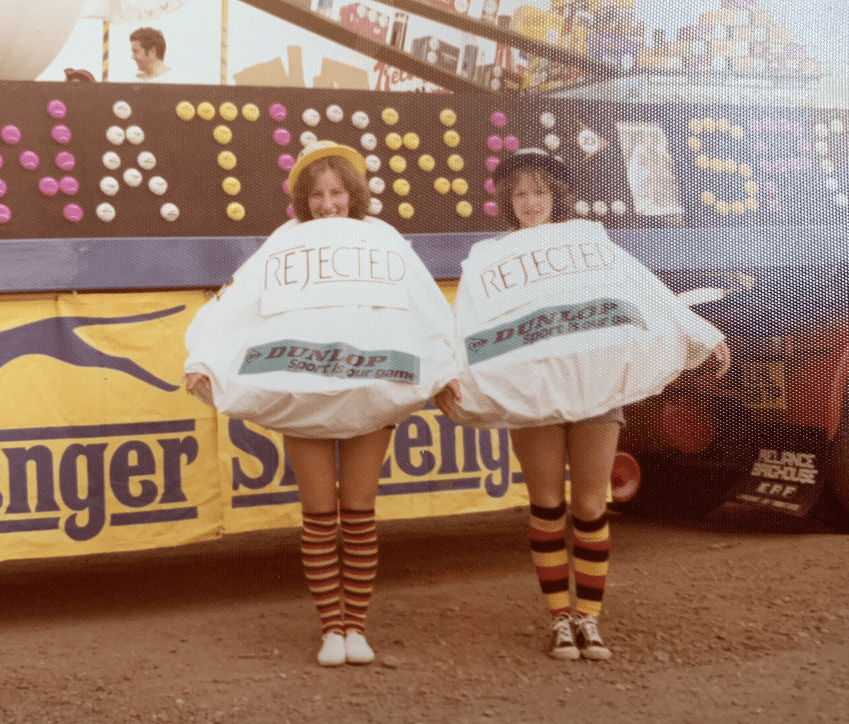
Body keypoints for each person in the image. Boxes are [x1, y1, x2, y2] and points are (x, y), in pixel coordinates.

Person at [438, 148, 730, 661]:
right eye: (520, 194)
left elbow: (646, 290)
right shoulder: (489, 257)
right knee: (548, 507)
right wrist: (448, 372)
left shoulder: (589, 242)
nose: (531, 202)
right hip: (534, 395)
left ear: (557, 196)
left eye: (540, 192)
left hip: (596, 388)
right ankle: (559, 619)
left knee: (592, 505)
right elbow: (467, 322)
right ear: (508, 201)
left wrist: (700, 332)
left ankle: (590, 620)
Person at [185, 142, 458, 667]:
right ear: (302, 200)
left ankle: (356, 627)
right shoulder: (286, 242)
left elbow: (423, 301)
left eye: (337, 193)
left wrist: (446, 369)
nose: (328, 204)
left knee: (358, 512)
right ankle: (330, 629)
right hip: (306, 390)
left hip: (370, 388)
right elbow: (242, 303)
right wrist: (207, 357)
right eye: (317, 195)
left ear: (354, 195)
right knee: (318, 514)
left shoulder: (383, 239)